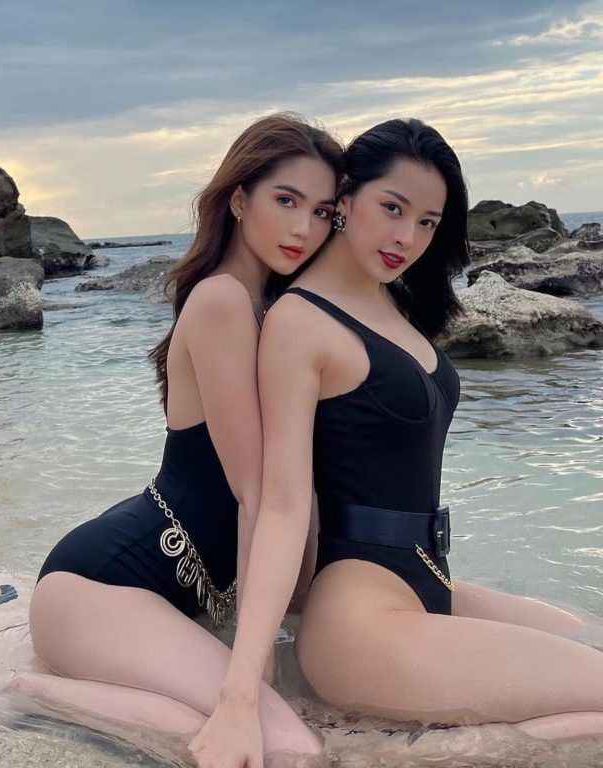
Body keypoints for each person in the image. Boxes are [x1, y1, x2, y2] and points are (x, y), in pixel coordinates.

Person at [190, 118, 603, 768]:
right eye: (392, 208)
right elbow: (282, 505)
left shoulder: (397, 305)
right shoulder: (299, 322)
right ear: (345, 199)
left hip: (427, 578)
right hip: (357, 621)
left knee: (593, 637)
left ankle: (450, 749)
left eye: (427, 222)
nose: (407, 237)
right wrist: (241, 692)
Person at [28, 113, 341, 756]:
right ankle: (18, 695)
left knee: (286, 730)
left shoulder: (278, 312)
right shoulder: (222, 300)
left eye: (322, 213)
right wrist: (255, 674)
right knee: (289, 746)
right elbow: (259, 495)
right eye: (286, 201)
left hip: (180, 593)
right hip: (99, 588)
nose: (303, 229)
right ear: (239, 199)